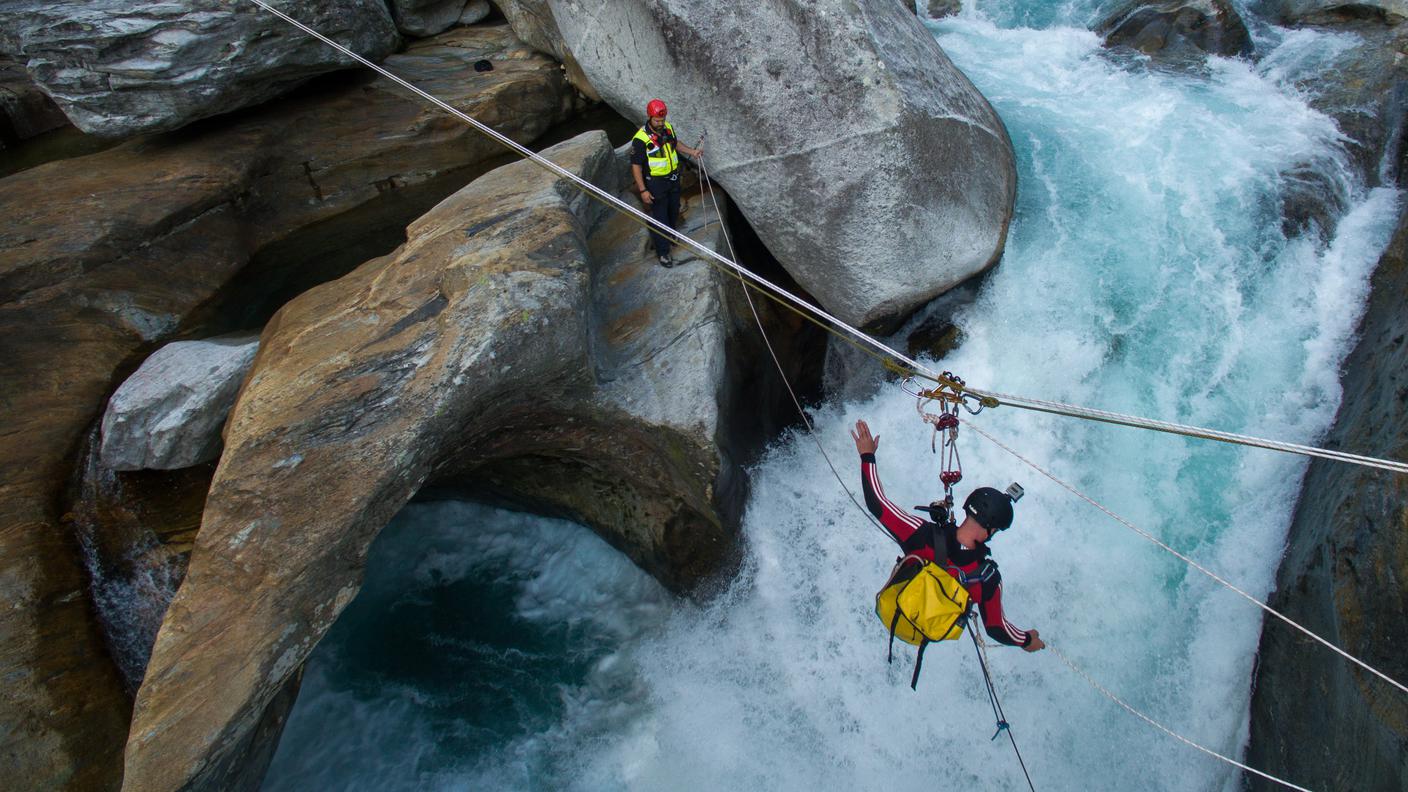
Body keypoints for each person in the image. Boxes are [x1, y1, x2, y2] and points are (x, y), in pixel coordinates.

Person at [851, 419, 1046, 652]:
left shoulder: (923, 535)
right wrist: (1027, 640)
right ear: (992, 530)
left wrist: (867, 456)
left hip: (893, 610)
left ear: (967, 508)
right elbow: (996, 627)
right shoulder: (987, 578)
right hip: (922, 634)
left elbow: (877, 503)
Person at [631, 98, 703, 268]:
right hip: (655, 183)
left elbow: (675, 144)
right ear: (649, 117)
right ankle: (663, 253)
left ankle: (671, 234)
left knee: (673, 209)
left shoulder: (667, 128)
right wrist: (643, 190)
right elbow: (636, 166)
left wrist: (692, 152)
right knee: (659, 217)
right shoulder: (641, 139)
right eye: (657, 120)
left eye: (662, 120)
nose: (660, 123)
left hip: (672, 178)